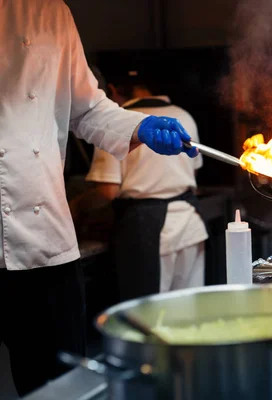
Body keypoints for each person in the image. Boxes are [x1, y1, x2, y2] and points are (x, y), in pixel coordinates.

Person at [0, 0, 198, 396]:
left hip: (45, 248)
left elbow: (87, 108)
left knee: (61, 391)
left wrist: (139, 126)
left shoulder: (52, 12)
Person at [71, 73, 208, 300]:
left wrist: (76, 206)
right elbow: (194, 175)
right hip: (191, 225)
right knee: (189, 319)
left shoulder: (117, 125)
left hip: (148, 233)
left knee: (149, 320)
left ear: (112, 90)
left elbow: (108, 191)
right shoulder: (184, 116)